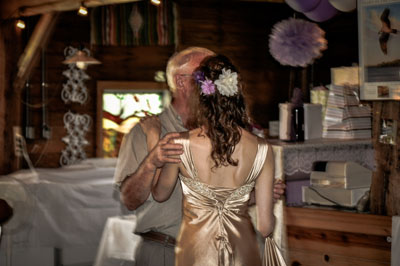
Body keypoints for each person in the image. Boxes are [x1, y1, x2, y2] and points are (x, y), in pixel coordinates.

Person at [113, 47, 285, 266]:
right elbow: (129, 200)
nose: (209, 75)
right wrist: (152, 159)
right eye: (202, 72)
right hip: (167, 252)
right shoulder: (143, 131)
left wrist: (253, 195)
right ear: (181, 82)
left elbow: (172, 194)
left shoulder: (185, 140)